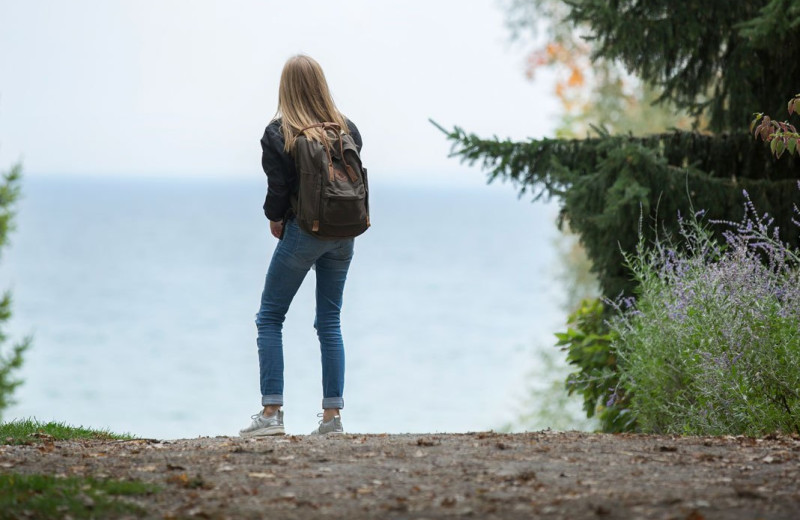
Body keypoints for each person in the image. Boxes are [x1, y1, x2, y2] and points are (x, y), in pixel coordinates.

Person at [240, 55, 362, 438]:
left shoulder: (280, 132)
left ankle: (271, 414)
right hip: (344, 235)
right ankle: (332, 420)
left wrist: (275, 219)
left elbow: (279, 189)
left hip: (303, 234)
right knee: (329, 321)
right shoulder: (348, 128)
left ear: (285, 87)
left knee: (270, 317)